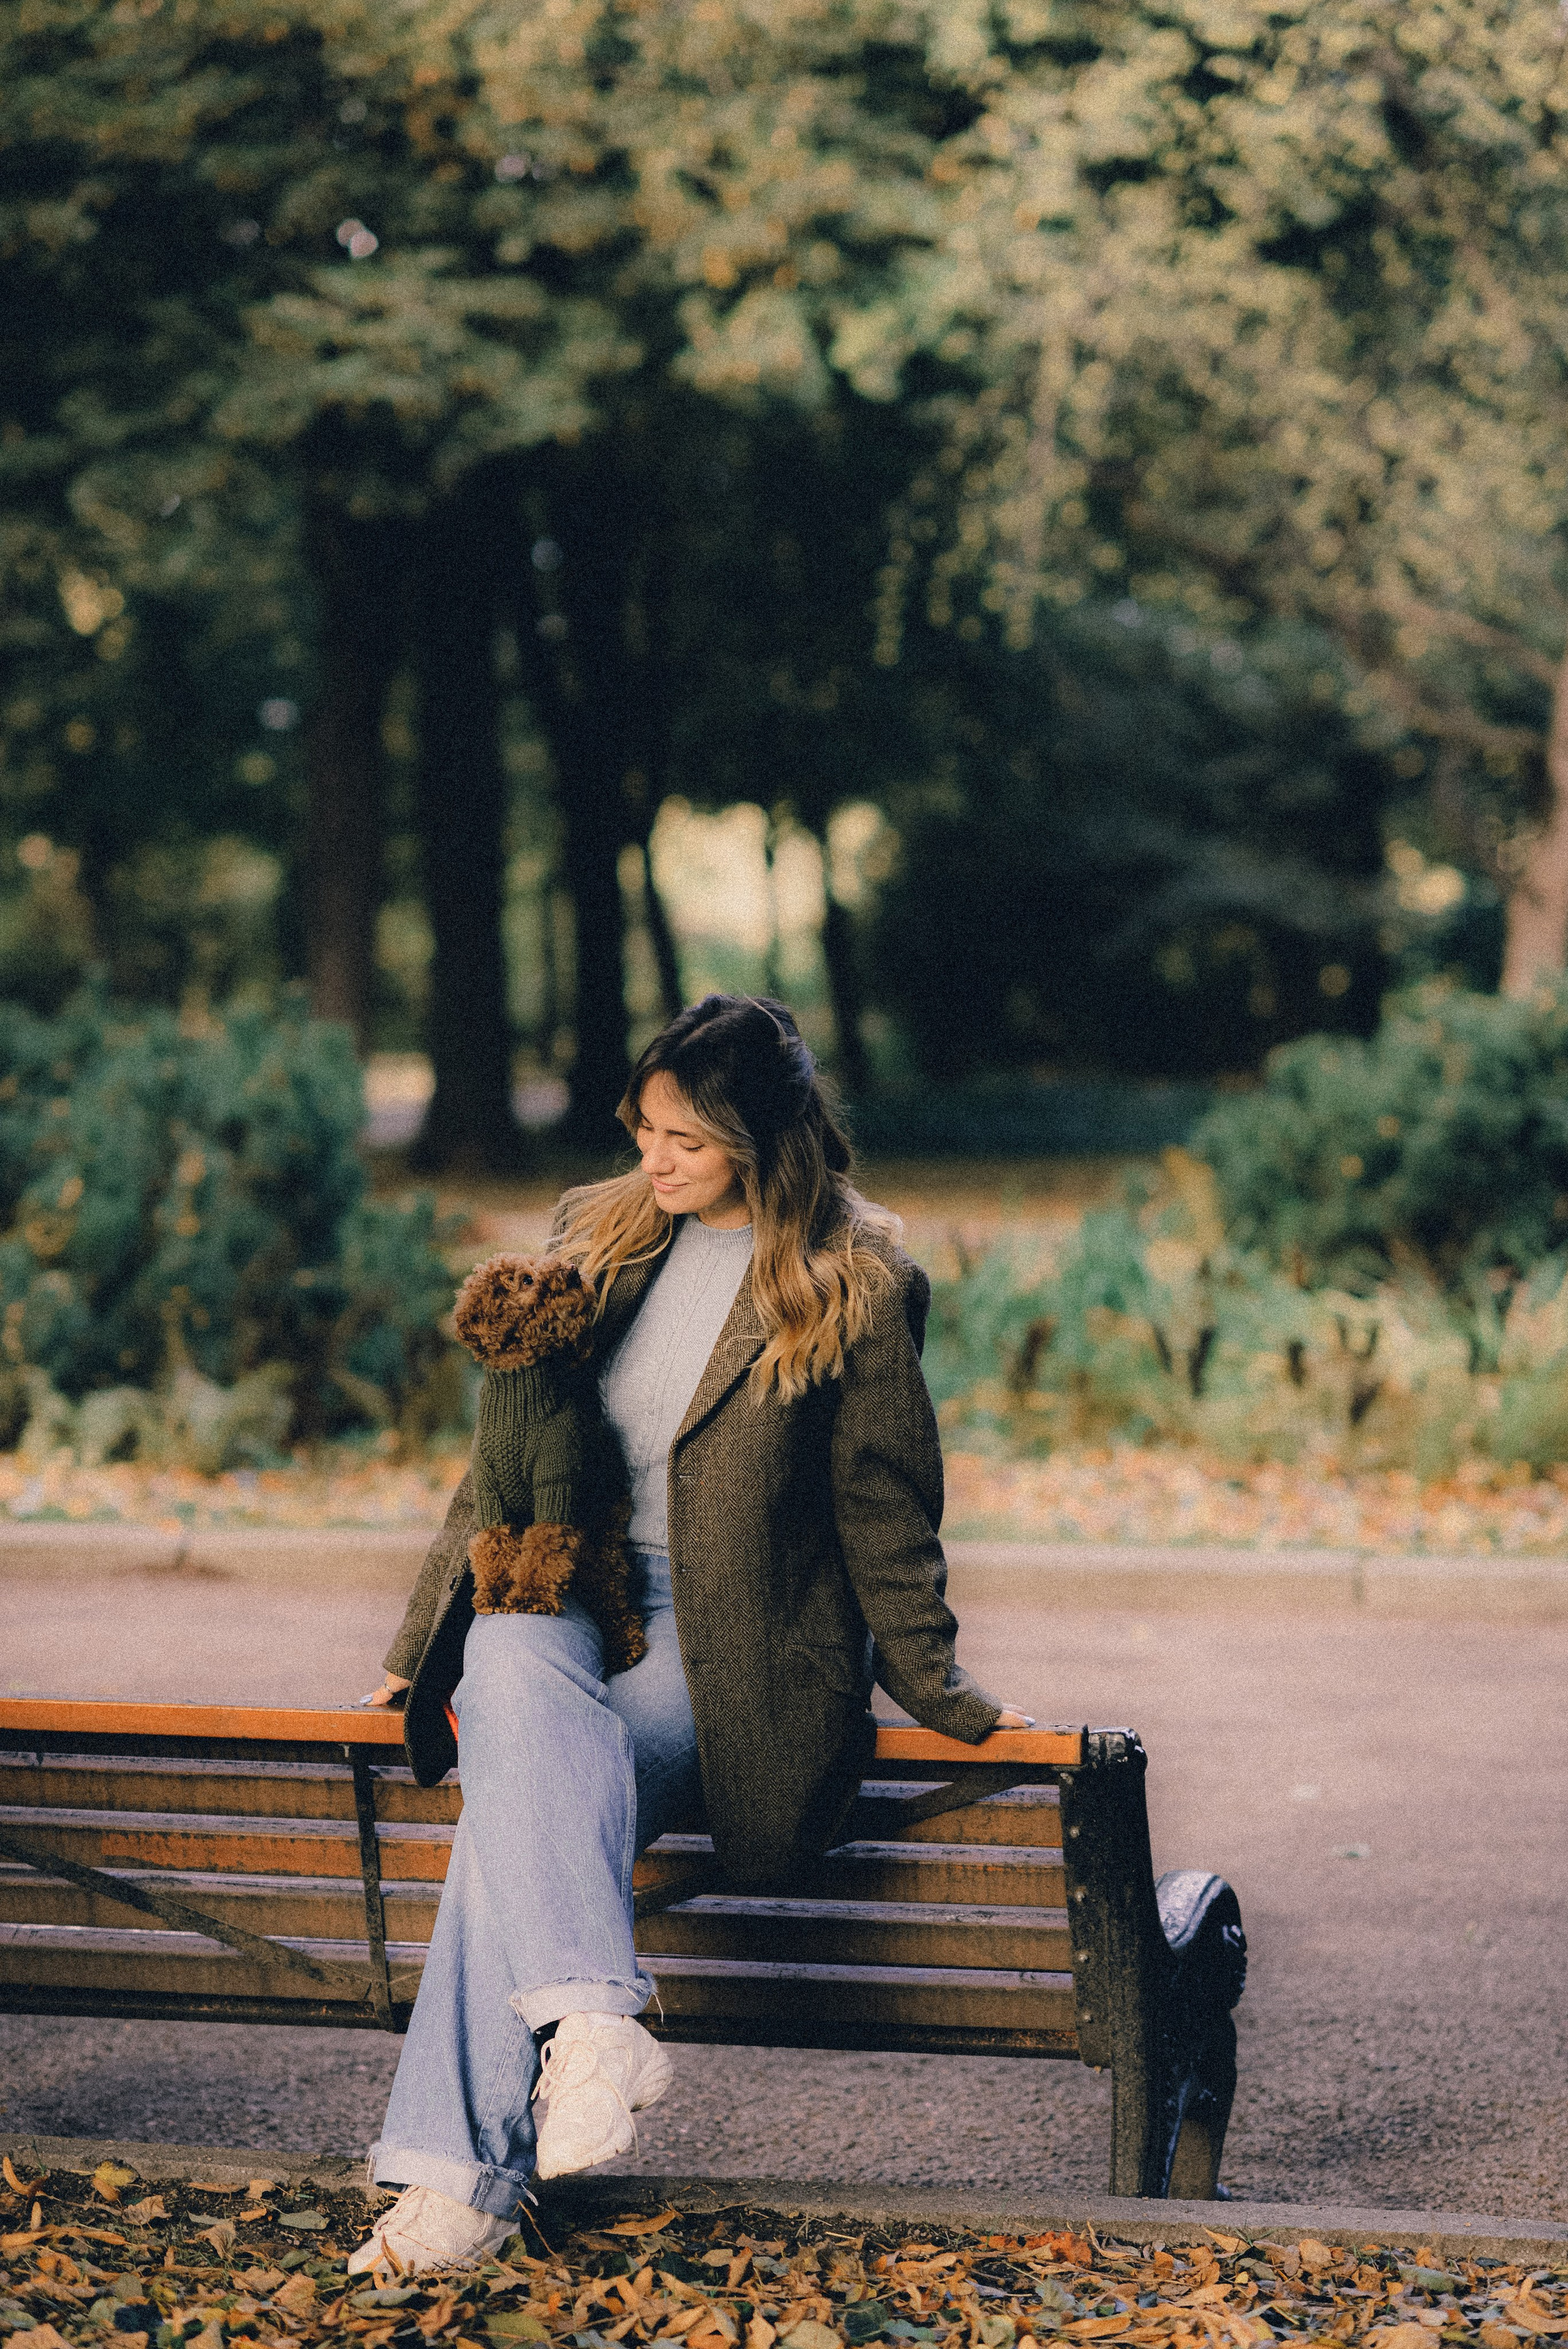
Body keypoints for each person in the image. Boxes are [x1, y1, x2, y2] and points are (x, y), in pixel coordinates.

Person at [350, 995, 1032, 2274]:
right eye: (644, 1129)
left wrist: (931, 1681)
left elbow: (885, 1509)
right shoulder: (594, 1234)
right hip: (571, 1591)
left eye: (686, 1141)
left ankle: (457, 2191)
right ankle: (594, 2025)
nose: (652, 1161)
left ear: (762, 1141)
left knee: (514, 1823)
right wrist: (420, 1630)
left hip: (731, 1648)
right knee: (500, 1661)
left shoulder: (858, 1278)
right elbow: (499, 1464)